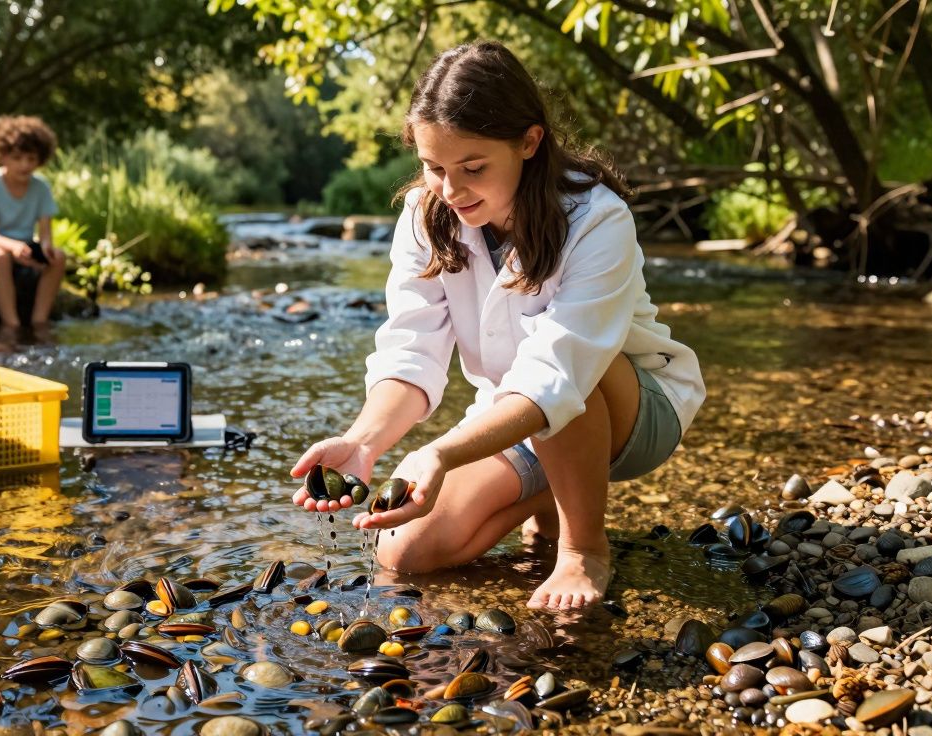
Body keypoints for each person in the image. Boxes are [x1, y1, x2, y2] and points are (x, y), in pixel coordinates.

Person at [290, 41, 705, 611]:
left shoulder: (597, 217)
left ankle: (583, 547)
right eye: (435, 168)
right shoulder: (424, 217)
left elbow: (557, 373)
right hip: (513, 413)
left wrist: (442, 453)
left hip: (630, 412)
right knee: (404, 553)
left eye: (473, 168)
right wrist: (363, 443)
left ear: (529, 142)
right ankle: (549, 498)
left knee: (560, 373)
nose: (451, 190)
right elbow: (411, 354)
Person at [0, 115, 67, 328]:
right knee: (0, 257)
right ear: (2, 156)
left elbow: (45, 232)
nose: (25, 165)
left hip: (24, 247)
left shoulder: (41, 187)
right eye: (17, 158)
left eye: (31, 159)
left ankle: (39, 321)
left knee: (58, 257)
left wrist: (45, 248)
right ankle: (11, 323)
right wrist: (14, 247)